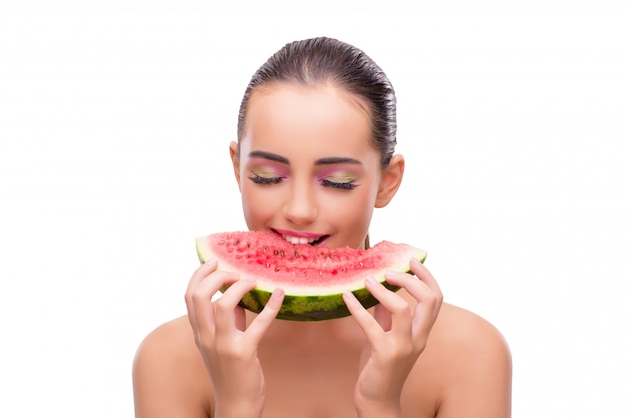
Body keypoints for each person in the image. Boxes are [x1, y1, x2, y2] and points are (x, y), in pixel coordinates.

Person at [132, 36, 512, 418]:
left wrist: (379, 405)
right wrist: (236, 404)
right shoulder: (167, 359)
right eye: (266, 177)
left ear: (387, 182)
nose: (298, 210)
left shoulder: (472, 353)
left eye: (337, 182)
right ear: (237, 168)